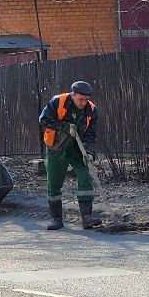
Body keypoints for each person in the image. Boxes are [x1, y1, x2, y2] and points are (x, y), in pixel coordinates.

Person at [39, 80, 100, 230]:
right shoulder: (57, 102)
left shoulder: (91, 110)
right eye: (81, 99)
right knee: (54, 184)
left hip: (77, 149)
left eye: (86, 100)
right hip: (57, 147)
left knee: (85, 176)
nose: (84, 103)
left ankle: (87, 218)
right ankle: (57, 219)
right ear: (73, 95)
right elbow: (44, 120)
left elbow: (90, 135)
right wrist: (65, 127)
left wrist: (89, 153)